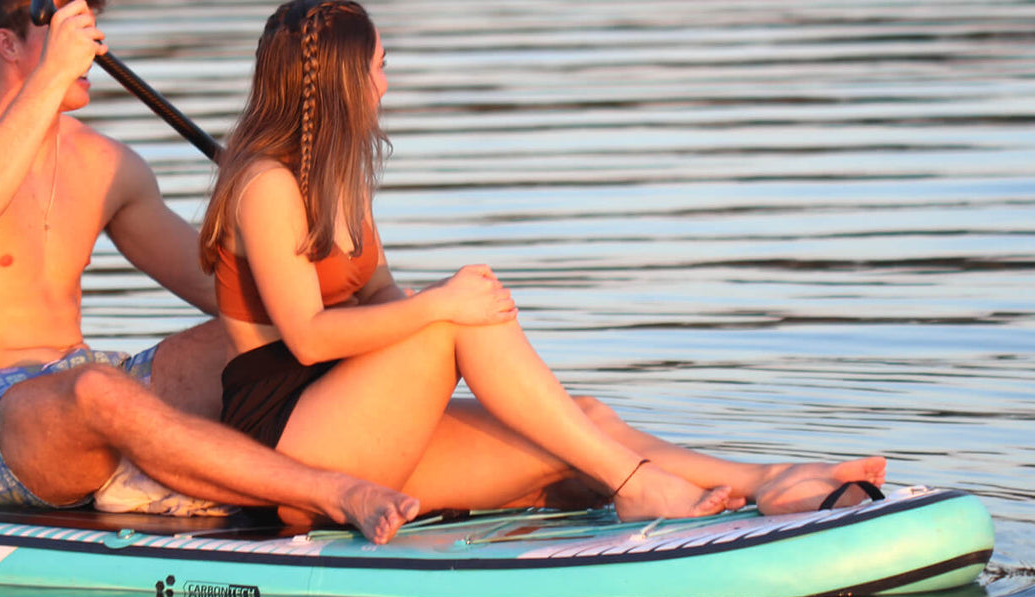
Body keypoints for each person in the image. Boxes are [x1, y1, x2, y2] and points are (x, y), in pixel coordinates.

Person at [197, 0, 889, 525]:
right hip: (288, 440)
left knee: (578, 419)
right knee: (452, 318)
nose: (386, 83)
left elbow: (377, 298)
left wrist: (435, 299)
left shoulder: (336, 179)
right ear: (347, 80)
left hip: (350, 412)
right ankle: (638, 488)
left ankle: (768, 478)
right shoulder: (267, 184)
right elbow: (309, 335)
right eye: (380, 67)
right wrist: (440, 307)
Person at [0, 0, 421, 543]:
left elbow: (229, 296)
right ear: (6, 44)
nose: (91, 43)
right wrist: (52, 75)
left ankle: (398, 459)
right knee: (95, 390)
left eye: (91, 23)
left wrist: (280, 221)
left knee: (271, 333)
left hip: (94, 378)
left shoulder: (108, 164)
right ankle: (330, 491)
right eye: (64, 29)